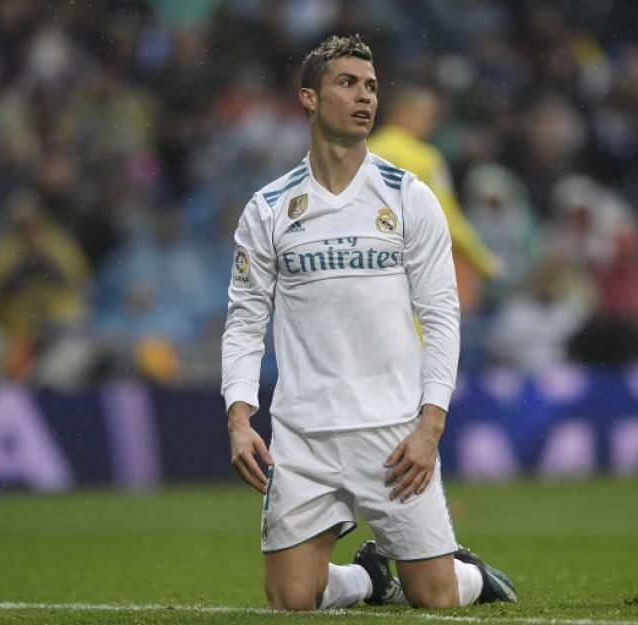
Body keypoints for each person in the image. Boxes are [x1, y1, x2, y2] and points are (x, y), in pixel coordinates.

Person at [221, 34, 517, 611]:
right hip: (303, 433)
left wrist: (430, 426)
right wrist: (239, 417)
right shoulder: (269, 208)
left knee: (436, 598)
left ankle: (472, 577)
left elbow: (441, 315)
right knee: (291, 598)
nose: (364, 97)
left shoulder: (409, 197)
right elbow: (244, 320)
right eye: (347, 83)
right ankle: (370, 581)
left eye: (372, 87)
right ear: (308, 97)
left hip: (393, 432)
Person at [368, 83, 502, 310]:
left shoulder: (367, 150)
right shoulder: (425, 159)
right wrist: (484, 261)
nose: (431, 122)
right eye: (427, 114)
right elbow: (446, 217)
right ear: (404, 111)